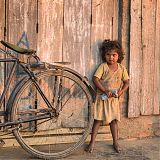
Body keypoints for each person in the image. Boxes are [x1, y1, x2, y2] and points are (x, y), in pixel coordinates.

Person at [85, 39, 129, 153]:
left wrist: (121, 92)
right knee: (98, 120)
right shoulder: (103, 67)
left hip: (113, 100)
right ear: (104, 56)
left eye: (114, 55)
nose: (111, 57)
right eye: (108, 55)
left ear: (118, 55)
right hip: (102, 98)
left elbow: (127, 82)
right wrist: (104, 90)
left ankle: (115, 143)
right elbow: (95, 79)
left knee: (114, 121)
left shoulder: (122, 69)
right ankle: (92, 143)